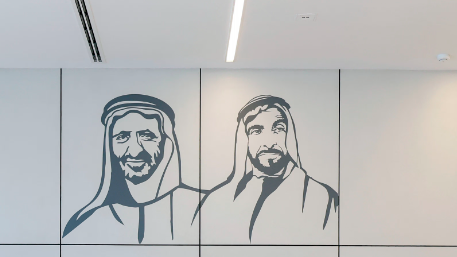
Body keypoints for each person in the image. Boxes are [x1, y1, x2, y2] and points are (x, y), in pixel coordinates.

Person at [198, 95, 338, 244]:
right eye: (256, 131)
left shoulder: (322, 197)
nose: (269, 143)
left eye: (278, 129)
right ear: (245, 140)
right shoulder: (217, 199)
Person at [63, 94, 201, 244]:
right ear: (110, 145)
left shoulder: (199, 208)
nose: (134, 151)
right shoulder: (86, 222)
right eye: (122, 137)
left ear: (166, 142)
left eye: (146, 136)